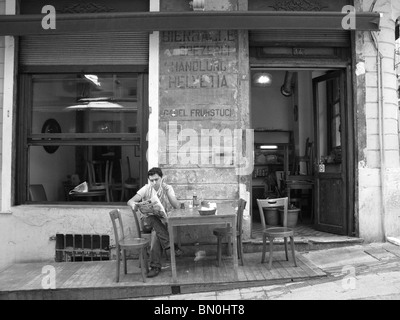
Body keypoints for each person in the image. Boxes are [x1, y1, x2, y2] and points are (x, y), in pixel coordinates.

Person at [127, 167, 183, 278]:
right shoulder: (146, 188)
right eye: (151, 180)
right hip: (147, 222)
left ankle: (155, 267)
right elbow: (130, 201)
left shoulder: (168, 188)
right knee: (152, 219)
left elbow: (176, 206)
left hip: (160, 224)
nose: (154, 182)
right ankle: (170, 244)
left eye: (156, 179)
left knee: (156, 234)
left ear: (162, 178)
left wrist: (167, 193)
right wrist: (134, 205)